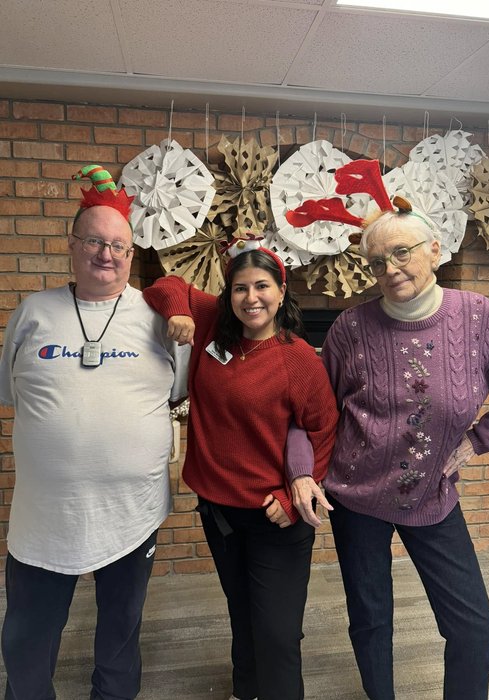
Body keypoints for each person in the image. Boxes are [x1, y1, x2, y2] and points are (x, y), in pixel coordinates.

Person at [287, 193, 489, 700]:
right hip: (355, 500)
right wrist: (301, 472)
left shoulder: (479, 318)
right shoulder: (350, 329)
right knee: (371, 621)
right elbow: (308, 414)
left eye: (401, 252)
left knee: (474, 628)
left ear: (435, 247)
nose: (390, 268)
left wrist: (479, 438)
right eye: (377, 261)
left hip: (432, 496)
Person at [0, 165, 189, 700]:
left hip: (131, 515)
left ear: (132, 255)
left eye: (119, 246)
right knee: (25, 642)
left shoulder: (157, 318)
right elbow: (14, 394)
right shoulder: (33, 313)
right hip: (44, 520)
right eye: (95, 241)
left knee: (120, 638)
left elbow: (176, 393)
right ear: (72, 244)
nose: (107, 254)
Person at [143, 238, 338, 700]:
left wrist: (295, 499)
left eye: (263, 287)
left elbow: (325, 431)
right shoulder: (213, 326)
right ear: (228, 294)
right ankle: (245, 691)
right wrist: (179, 311)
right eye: (240, 288)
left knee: (277, 632)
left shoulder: (297, 360)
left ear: (281, 289)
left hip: (276, 515)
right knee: (243, 614)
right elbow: (164, 285)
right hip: (219, 511)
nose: (252, 298)